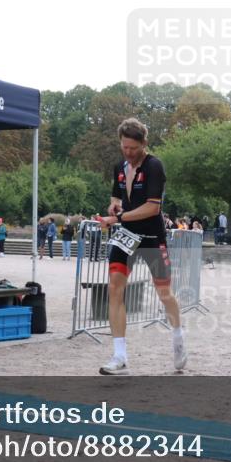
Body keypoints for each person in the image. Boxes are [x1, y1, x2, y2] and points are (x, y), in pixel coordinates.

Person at [94, 118, 185, 376]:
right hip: (126, 236)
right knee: (114, 288)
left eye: (133, 148)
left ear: (144, 144)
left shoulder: (154, 166)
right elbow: (117, 195)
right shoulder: (119, 167)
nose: (129, 152)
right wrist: (114, 205)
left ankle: (178, 335)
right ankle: (119, 355)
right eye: (125, 147)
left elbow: (152, 207)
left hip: (152, 237)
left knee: (164, 293)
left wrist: (119, 217)